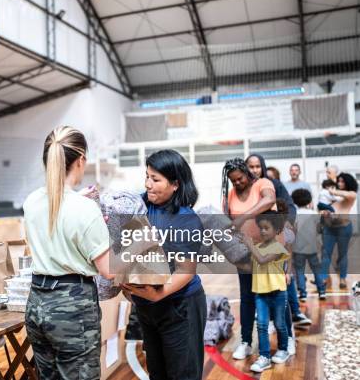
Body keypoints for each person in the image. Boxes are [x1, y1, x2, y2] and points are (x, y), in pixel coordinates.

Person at [23, 126, 113, 380]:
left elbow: (57, 213)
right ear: (81, 159)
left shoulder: (31, 202)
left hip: (37, 303)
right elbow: (109, 269)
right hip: (72, 308)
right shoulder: (84, 209)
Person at [123, 150, 207, 380]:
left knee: (182, 374)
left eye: (156, 179)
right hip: (148, 306)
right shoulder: (141, 205)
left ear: (175, 184)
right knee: (157, 373)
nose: (148, 184)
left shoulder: (186, 219)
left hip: (180, 305)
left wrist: (157, 295)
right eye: (146, 176)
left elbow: (186, 271)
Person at [245, 155, 309, 334]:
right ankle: (268, 317)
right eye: (251, 166)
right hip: (256, 242)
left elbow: (290, 207)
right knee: (262, 283)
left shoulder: (274, 185)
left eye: (258, 166)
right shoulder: (244, 188)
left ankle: (293, 316)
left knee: (284, 280)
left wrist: (284, 226)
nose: (255, 170)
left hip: (275, 241)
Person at [222, 158, 276, 361]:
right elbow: (228, 220)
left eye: (240, 178)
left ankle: (283, 338)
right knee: (247, 297)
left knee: (271, 295)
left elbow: (269, 200)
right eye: (232, 180)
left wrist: (243, 217)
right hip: (244, 253)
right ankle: (245, 341)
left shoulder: (263, 184)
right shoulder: (230, 194)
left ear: (247, 173)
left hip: (267, 249)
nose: (237, 183)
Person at [244, 210, 291, 372]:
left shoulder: (278, 247)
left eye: (267, 228)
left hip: (278, 292)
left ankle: (283, 349)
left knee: (279, 324)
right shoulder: (257, 247)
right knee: (262, 325)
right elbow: (252, 266)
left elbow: (262, 260)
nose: (263, 231)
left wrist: (249, 245)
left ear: (277, 230)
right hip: (260, 293)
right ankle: (264, 356)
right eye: (261, 228)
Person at [319, 172, 358, 290]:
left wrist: (332, 191)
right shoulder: (331, 196)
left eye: (342, 181)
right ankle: (323, 279)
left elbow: (348, 195)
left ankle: (342, 278)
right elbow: (323, 208)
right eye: (339, 181)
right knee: (326, 254)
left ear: (348, 182)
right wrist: (324, 213)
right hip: (329, 228)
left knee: (343, 255)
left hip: (344, 229)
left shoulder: (351, 194)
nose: (340, 183)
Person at [291, 188, 325, 301]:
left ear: (294, 201)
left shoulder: (295, 214)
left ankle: (303, 293)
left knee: (299, 270)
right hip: (312, 246)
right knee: (316, 269)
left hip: (298, 247)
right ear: (309, 200)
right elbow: (319, 228)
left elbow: (293, 230)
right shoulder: (314, 214)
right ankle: (321, 291)